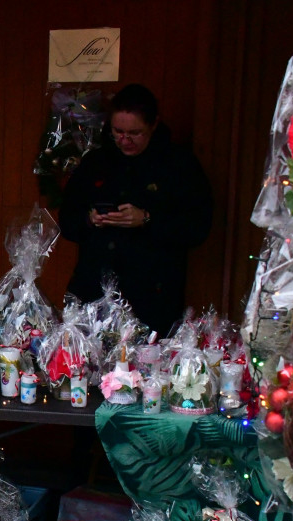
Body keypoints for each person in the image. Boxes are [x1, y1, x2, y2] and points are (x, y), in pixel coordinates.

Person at [58, 84, 213, 336]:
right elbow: (67, 220)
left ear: (153, 125)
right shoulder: (95, 162)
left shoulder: (178, 165)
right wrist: (90, 219)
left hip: (152, 297)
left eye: (135, 133)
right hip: (93, 289)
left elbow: (198, 226)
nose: (125, 140)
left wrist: (148, 219)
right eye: (118, 132)